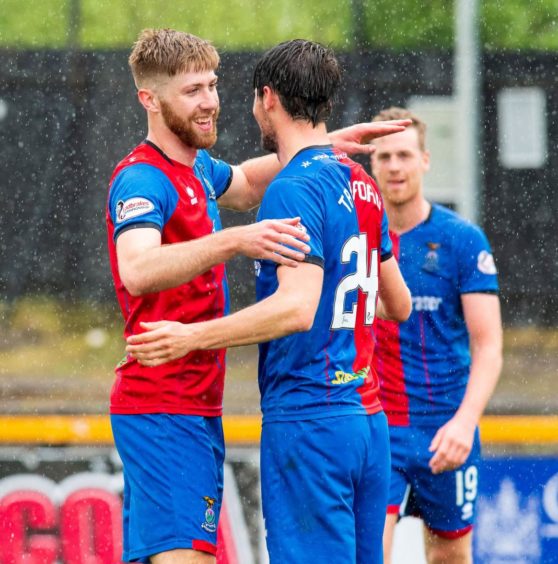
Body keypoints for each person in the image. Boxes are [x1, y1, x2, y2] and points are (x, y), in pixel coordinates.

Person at [107, 29, 409, 564]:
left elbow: (247, 183)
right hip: (161, 404)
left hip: (208, 404)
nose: (210, 102)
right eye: (192, 91)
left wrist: (323, 143)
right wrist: (234, 240)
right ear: (148, 100)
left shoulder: (198, 167)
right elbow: (136, 269)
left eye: (213, 85)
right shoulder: (141, 180)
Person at [369, 107, 503, 564]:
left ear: (425, 159)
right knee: (368, 552)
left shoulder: (462, 240)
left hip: (445, 428)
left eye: (404, 154)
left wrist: (465, 422)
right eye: (383, 156)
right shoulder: (354, 239)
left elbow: (489, 345)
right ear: (372, 165)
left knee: (450, 557)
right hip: (377, 428)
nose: (394, 166)